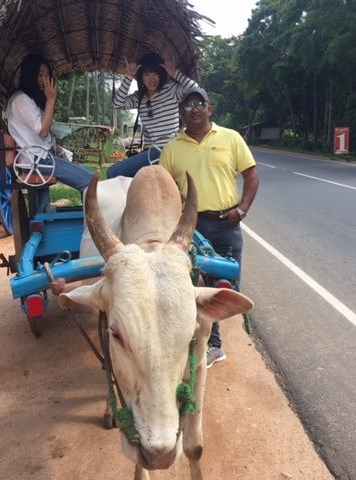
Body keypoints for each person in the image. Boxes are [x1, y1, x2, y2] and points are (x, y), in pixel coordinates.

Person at [159, 86, 259, 368]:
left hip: (224, 224)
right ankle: (186, 340)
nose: (193, 109)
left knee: (219, 288)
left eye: (198, 104)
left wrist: (241, 210)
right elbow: (164, 186)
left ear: (209, 109)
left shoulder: (231, 138)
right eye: (188, 105)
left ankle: (215, 345)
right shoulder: (173, 148)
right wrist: (175, 197)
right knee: (184, 287)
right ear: (182, 111)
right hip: (186, 229)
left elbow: (252, 176)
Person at [6, 53, 93, 212]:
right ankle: (91, 223)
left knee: (88, 172)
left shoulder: (30, 100)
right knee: (90, 181)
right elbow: (43, 131)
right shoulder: (21, 100)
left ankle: (47, 221)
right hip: (38, 161)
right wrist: (51, 99)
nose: (44, 80)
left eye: (47, 75)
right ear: (29, 74)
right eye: (40, 74)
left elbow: (44, 135)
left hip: (43, 158)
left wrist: (58, 149)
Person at [107, 51, 199, 179]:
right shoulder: (139, 97)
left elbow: (196, 91)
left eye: (155, 73)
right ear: (141, 77)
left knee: (113, 173)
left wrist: (175, 73)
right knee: (113, 173)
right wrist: (128, 77)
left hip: (171, 148)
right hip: (151, 153)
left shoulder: (171, 90)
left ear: (161, 74)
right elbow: (117, 104)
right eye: (147, 74)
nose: (152, 79)